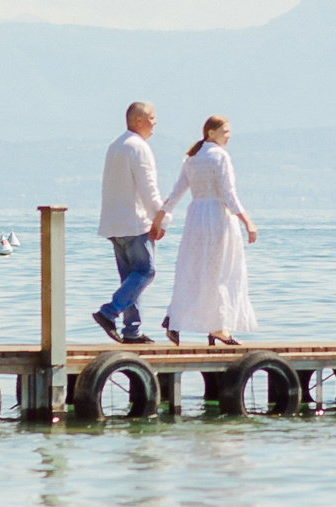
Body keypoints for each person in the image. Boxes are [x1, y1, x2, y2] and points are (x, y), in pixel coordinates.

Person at [160, 114, 256, 346]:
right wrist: (247, 221)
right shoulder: (219, 156)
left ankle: (175, 317)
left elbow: (177, 192)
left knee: (193, 269)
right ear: (211, 133)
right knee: (221, 271)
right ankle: (218, 328)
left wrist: (162, 217)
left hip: (196, 217)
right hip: (217, 217)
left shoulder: (192, 158)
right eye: (225, 132)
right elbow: (228, 194)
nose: (229, 136)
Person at [92, 101, 168, 343]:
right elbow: (148, 188)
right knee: (146, 271)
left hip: (114, 223)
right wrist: (160, 218)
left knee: (130, 280)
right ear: (138, 120)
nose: (155, 122)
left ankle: (132, 330)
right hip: (135, 222)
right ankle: (109, 312)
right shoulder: (139, 147)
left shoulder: (116, 145)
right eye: (152, 117)